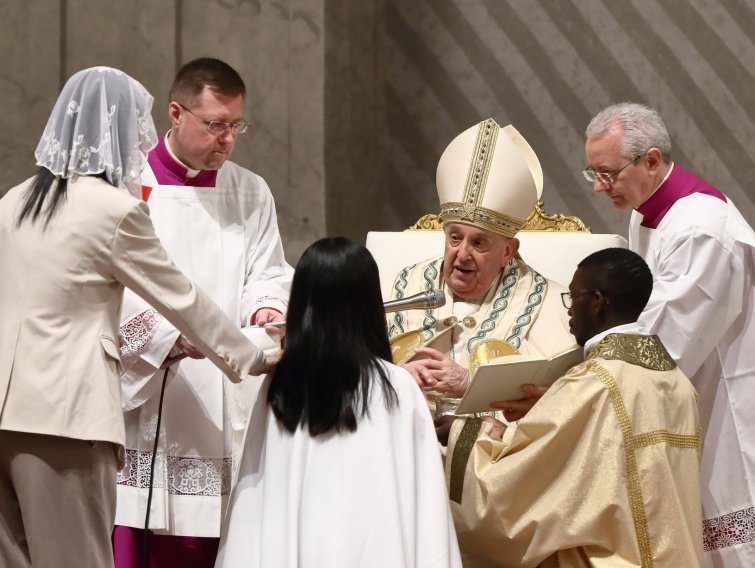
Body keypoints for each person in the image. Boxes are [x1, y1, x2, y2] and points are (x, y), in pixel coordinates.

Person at [0, 67, 274, 568]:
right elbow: (182, 298)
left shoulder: (13, 201)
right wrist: (254, 355)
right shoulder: (114, 207)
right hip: (67, 416)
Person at [584, 102, 755, 566]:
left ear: (652, 160)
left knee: (745, 529)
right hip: (694, 390)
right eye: (593, 173)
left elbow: (660, 343)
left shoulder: (702, 227)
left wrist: (574, 383)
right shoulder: (647, 212)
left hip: (732, 399)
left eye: (608, 174)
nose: (600, 187)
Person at [112, 58, 294, 567]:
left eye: (236, 126)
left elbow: (269, 270)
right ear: (176, 113)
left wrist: (265, 309)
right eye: (215, 124)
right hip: (153, 385)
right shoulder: (127, 186)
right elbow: (107, 284)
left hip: (223, 394)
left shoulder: (249, 190)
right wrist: (164, 339)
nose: (228, 140)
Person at [445, 248, 703, 567]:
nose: (569, 310)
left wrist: (467, 432)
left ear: (596, 301)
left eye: (574, 296)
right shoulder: (678, 383)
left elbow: (510, 492)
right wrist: (551, 403)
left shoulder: (592, 384)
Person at [214, 237, 461, 567]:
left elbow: (257, 501)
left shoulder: (283, 383)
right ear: (370, 302)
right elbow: (424, 505)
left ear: (301, 302)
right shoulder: (395, 385)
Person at [387, 118, 575, 419]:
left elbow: (561, 401)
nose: (462, 255)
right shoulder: (401, 287)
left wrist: (468, 383)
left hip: (490, 450)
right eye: (455, 238)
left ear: (508, 252)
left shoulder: (551, 304)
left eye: (479, 243)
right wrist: (395, 379)